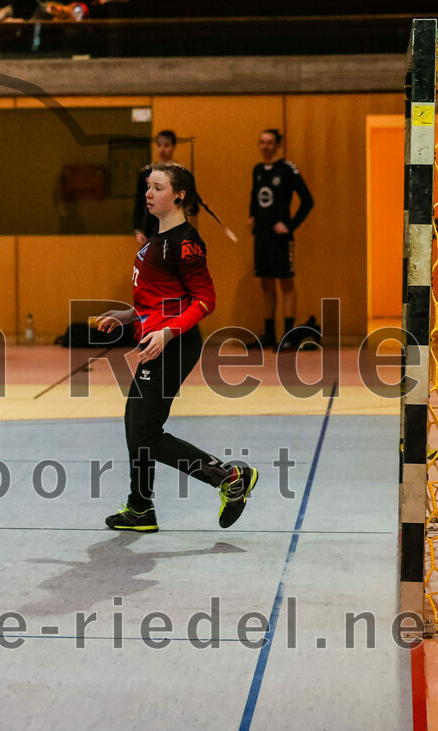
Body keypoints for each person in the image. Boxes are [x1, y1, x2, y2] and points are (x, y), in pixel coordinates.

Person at [95, 162, 258, 532]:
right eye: (147, 187)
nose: (148, 194)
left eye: (157, 188)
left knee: (145, 432)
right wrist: (127, 317)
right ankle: (140, 507)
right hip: (158, 342)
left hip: (174, 345)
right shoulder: (156, 241)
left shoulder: (185, 243)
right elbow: (159, 303)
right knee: (136, 424)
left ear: (179, 194)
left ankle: (229, 477)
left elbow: (204, 300)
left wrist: (168, 333)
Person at [248, 128, 314, 349]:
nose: (265, 146)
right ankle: (268, 334)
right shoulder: (258, 170)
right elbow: (255, 198)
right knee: (265, 283)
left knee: (286, 282)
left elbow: (307, 200)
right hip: (262, 236)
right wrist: (252, 217)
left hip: (280, 239)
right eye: (262, 142)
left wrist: (290, 225)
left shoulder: (287, 169)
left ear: (277, 145)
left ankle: (288, 336)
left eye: (269, 142)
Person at [132, 129, 177, 245]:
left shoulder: (179, 174)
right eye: (159, 145)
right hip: (151, 229)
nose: (162, 149)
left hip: (174, 229)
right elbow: (139, 203)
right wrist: (138, 230)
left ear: (173, 147)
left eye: (166, 145)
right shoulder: (146, 173)